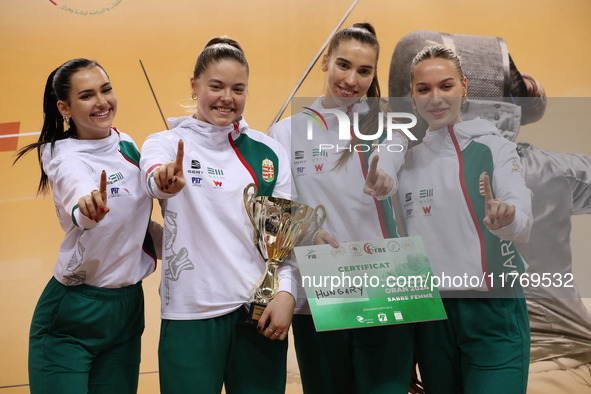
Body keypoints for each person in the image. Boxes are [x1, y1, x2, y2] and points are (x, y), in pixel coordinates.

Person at [140, 37, 295, 394]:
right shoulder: (165, 143)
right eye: (216, 86)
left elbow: (281, 235)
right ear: (194, 86)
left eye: (238, 89)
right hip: (190, 314)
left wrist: (287, 293)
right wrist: (165, 180)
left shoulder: (268, 151)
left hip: (260, 312)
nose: (227, 97)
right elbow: (154, 179)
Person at [267, 23, 413, 393]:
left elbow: (392, 157)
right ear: (324, 62)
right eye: (343, 65)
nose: (351, 79)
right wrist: (307, 234)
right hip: (319, 290)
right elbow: (278, 212)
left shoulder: (388, 124)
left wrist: (386, 179)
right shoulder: (285, 133)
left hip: (386, 282)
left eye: (364, 71)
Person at [15, 58, 159, 394]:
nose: (102, 101)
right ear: (64, 107)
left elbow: (136, 227)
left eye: (106, 90)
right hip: (72, 313)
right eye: (87, 95)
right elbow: (75, 187)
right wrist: (87, 210)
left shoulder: (129, 145)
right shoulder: (60, 153)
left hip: (126, 311)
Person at [397, 45, 533, 394]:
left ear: (464, 87)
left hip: (493, 310)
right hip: (432, 317)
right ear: (412, 96)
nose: (436, 98)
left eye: (446, 86)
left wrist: (507, 216)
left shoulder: (494, 147)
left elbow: (521, 214)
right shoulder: (406, 163)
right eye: (424, 89)